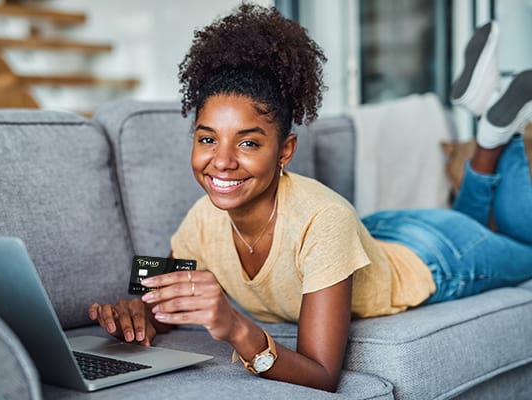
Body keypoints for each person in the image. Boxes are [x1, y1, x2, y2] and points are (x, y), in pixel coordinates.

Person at [88, 5, 532, 392]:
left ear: (285, 151)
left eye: (247, 143)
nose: (220, 162)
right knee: (479, 222)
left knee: (523, 248)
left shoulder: (323, 219)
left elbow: (322, 375)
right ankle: (489, 129)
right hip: (377, 233)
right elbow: (167, 306)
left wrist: (236, 328)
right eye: (207, 138)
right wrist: (137, 316)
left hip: (437, 255)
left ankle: (494, 140)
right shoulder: (200, 221)